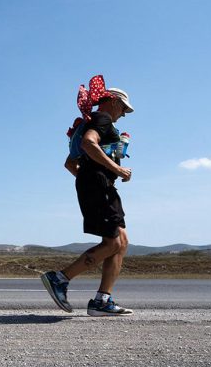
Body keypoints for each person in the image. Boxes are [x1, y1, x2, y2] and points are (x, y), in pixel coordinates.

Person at [41, 76, 135, 316]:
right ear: (112, 101)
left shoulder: (92, 121)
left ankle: (102, 300)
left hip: (97, 185)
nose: (123, 114)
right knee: (113, 242)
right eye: (123, 108)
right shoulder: (102, 118)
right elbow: (89, 144)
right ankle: (60, 278)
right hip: (99, 185)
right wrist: (115, 170)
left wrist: (88, 180)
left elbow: (70, 163)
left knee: (121, 242)